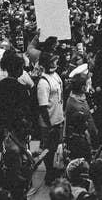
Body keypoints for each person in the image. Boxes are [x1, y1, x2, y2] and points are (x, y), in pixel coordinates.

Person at [35, 51, 66, 184]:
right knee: (49, 149)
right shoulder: (43, 82)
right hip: (49, 123)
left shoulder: (55, 76)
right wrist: (49, 125)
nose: (55, 63)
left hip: (58, 119)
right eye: (52, 61)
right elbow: (43, 107)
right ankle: (49, 174)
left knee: (56, 148)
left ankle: (54, 170)